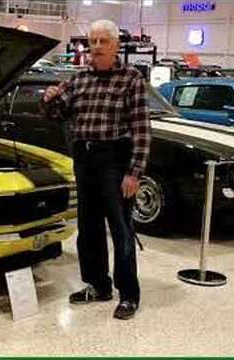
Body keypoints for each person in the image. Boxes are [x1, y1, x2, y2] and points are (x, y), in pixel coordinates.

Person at [41, 19, 151, 320]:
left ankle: (128, 294)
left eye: (104, 42)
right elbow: (56, 112)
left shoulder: (131, 78)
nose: (97, 47)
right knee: (88, 229)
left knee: (121, 229)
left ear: (116, 46)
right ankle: (98, 285)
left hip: (115, 160)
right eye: (93, 42)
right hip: (84, 159)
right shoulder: (78, 79)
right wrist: (48, 98)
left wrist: (134, 173)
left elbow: (142, 129)